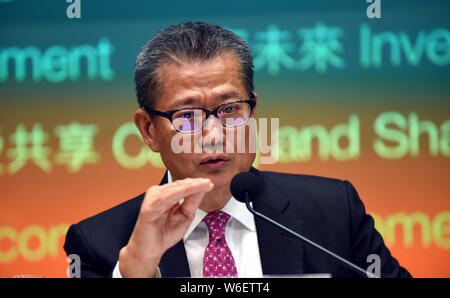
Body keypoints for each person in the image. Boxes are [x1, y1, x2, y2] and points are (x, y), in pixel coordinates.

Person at [64, 21, 412, 278]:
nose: (214, 134)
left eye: (230, 110)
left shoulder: (334, 211)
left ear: (253, 112)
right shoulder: (98, 243)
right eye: (186, 116)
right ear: (148, 130)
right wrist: (136, 270)